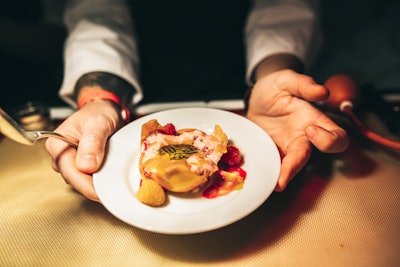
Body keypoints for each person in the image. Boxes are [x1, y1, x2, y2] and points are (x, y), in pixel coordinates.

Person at [45, 0, 349, 202]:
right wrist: (100, 98)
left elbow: (282, 8)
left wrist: (274, 75)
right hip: (142, 92)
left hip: (244, 90)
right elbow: (97, 13)